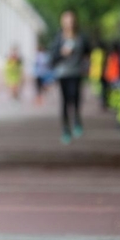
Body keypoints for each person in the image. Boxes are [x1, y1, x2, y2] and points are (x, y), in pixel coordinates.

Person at [48, 9, 91, 145]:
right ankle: (66, 129)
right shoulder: (59, 38)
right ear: (63, 22)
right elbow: (52, 57)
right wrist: (62, 53)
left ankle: (77, 119)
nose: (70, 23)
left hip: (77, 72)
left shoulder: (80, 37)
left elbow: (88, 51)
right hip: (63, 73)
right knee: (65, 101)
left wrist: (87, 64)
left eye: (71, 21)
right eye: (67, 21)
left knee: (76, 97)